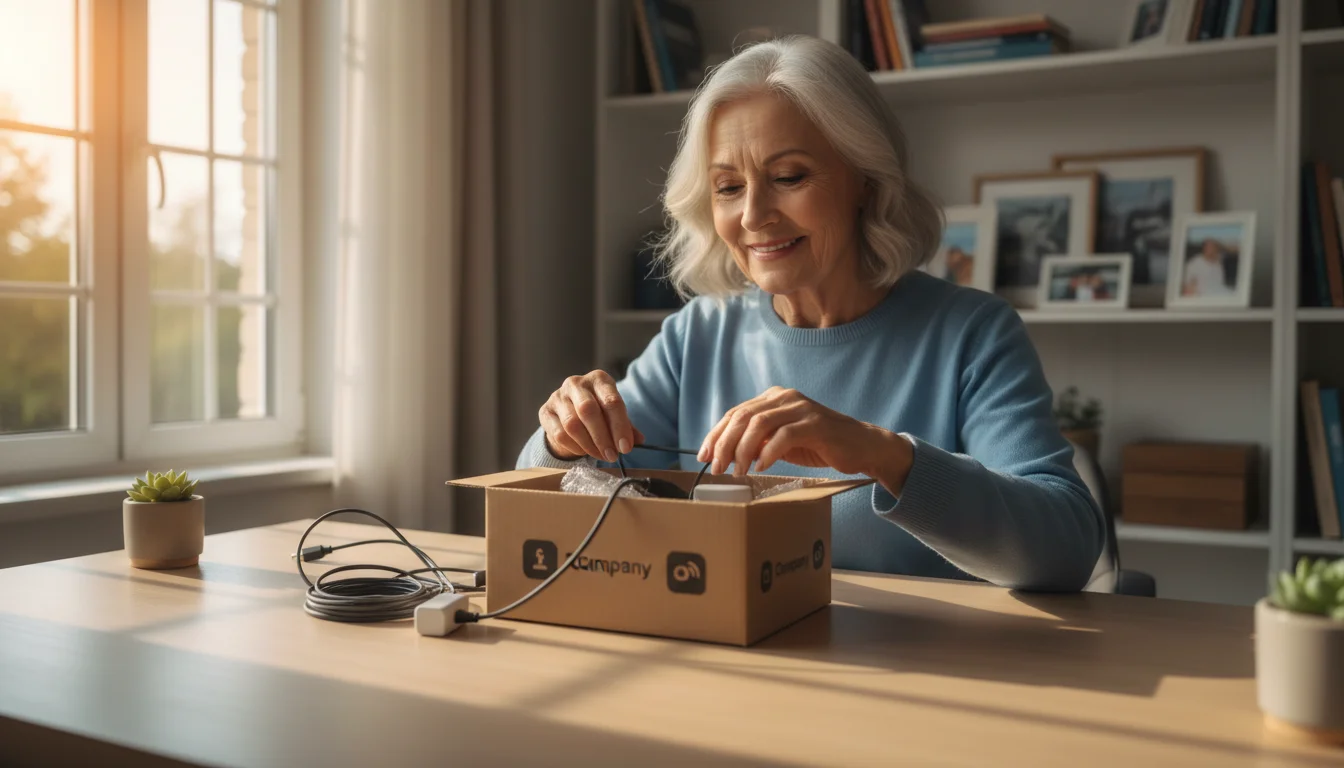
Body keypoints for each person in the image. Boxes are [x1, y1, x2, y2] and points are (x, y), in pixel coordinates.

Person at [517, 36, 1102, 592]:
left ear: (866, 183)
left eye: (788, 177)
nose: (752, 216)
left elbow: (1067, 549)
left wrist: (881, 454)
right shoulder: (698, 334)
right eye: (727, 187)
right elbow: (534, 496)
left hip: (919, 677)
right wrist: (563, 440)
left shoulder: (972, 334)